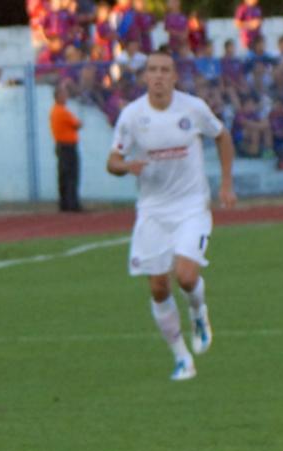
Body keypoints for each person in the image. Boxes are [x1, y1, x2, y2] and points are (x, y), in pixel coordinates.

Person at [107, 48, 236, 381]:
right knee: (159, 287)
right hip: (152, 210)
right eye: (153, 70)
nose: (159, 76)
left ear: (175, 76)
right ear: (145, 76)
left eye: (165, 70)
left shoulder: (192, 108)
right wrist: (125, 166)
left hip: (192, 205)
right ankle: (182, 358)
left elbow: (222, 136)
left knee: (186, 276)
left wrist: (226, 183)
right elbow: (113, 161)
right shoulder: (132, 116)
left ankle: (198, 312)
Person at [51, 86, 84, 212]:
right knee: (71, 176)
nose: (66, 97)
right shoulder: (62, 111)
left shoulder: (55, 110)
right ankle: (72, 204)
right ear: (58, 97)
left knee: (63, 176)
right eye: (63, 94)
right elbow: (77, 124)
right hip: (67, 146)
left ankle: (64, 203)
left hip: (61, 146)